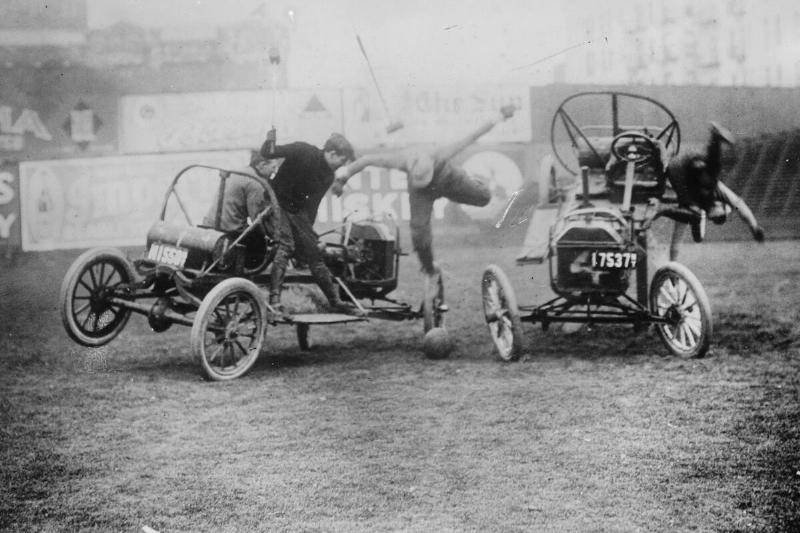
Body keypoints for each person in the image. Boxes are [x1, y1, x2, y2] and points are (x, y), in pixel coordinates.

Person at [331, 104, 517, 280]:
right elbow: (366, 160)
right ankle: (428, 268)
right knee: (418, 232)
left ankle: (474, 182)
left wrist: (500, 115)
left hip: (449, 180)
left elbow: (474, 135)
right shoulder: (401, 160)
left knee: (484, 198)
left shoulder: (443, 153)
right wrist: (341, 179)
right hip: (422, 193)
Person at [259, 131, 360, 318]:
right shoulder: (303, 150)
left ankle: (335, 301)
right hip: (274, 203)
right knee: (286, 245)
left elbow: (311, 207)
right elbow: (268, 153)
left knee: (314, 253)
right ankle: (274, 301)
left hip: (295, 212)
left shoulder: (328, 176)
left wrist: (309, 237)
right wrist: (270, 140)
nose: (342, 166)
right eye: (342, 161)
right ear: (332, 153)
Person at [664, 121, 765, 260]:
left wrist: (673, 262)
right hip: (686, 164)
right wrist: (754, 227)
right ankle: (715, 139)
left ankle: (715, 139)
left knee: (693, 204)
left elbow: (677, 237)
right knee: (711, 174)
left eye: (716, 216)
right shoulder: (716, 190)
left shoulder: (693, 201)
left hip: (682, 168)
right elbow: (740, 206)